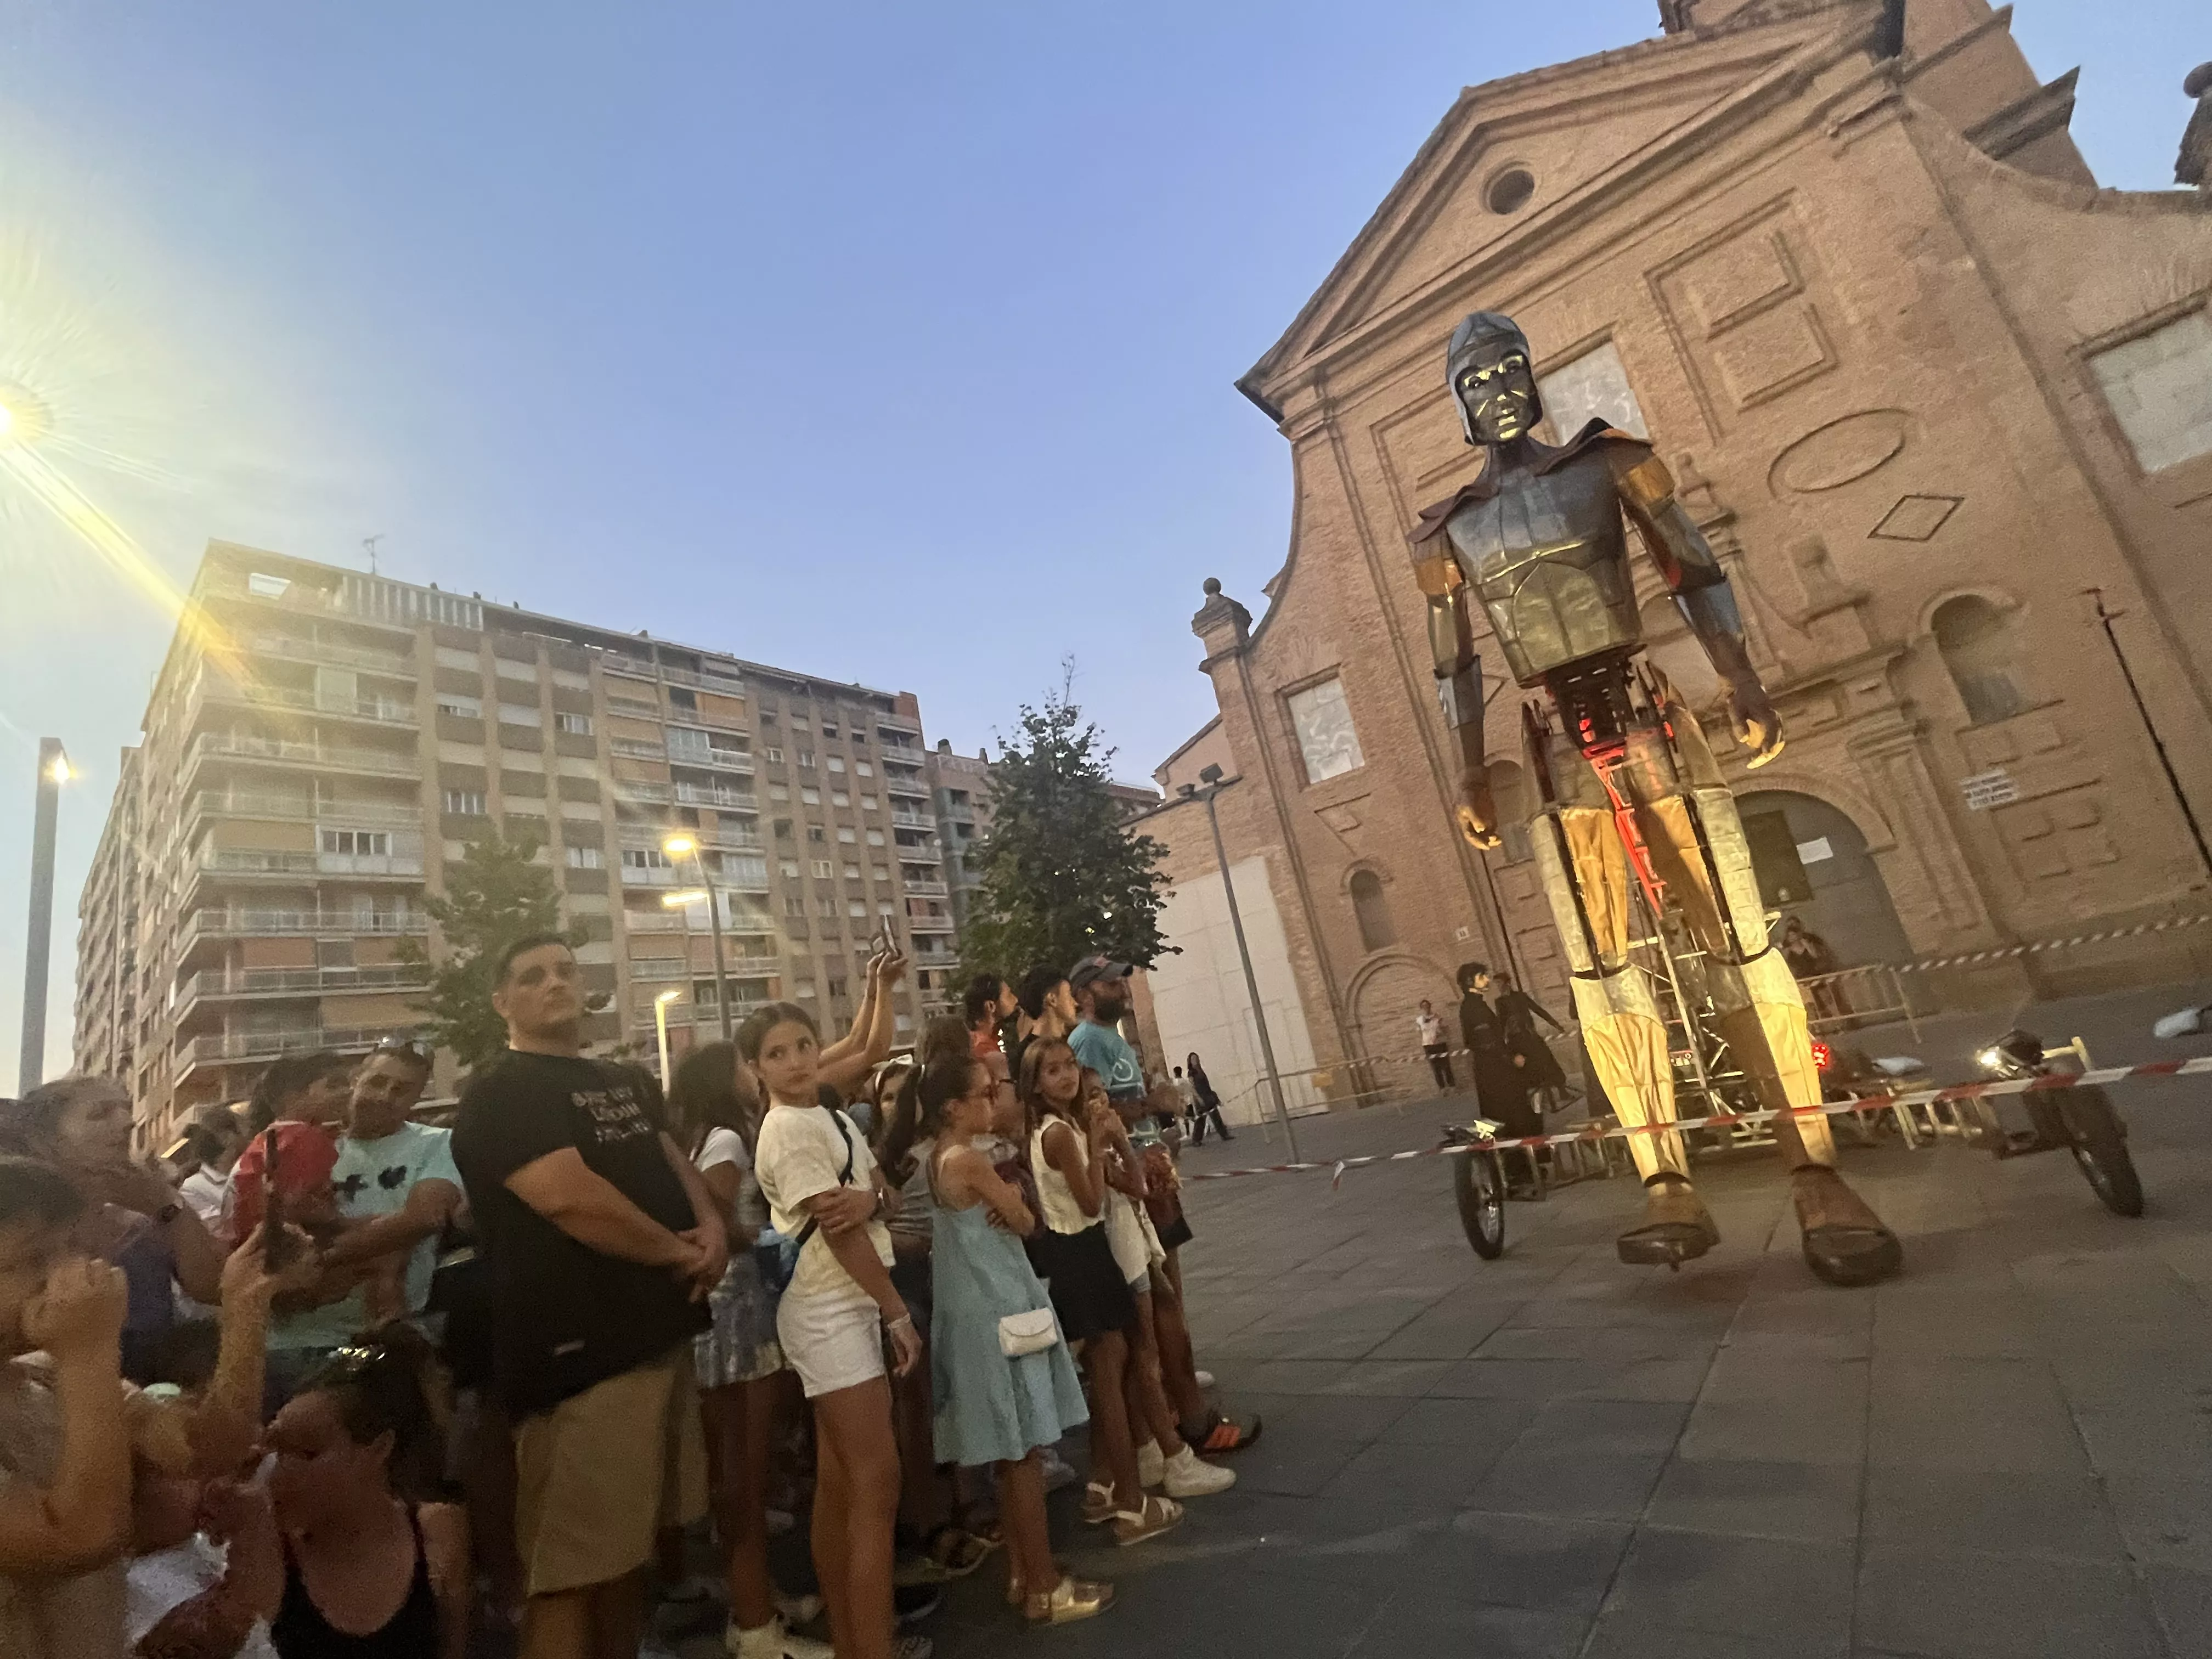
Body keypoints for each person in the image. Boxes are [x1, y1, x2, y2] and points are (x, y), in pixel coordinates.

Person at [450, 933, 726, 1659]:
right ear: (501, 1001)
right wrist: (680, 1252)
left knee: (625, 1558)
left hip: (657, 1334)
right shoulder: (500, 1093)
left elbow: (672, 1160)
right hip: (581, 1360)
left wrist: (711, 1231)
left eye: (566, 971)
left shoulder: (624, 1078)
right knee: (567, 1575)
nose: (555, 983)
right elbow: (572, 1200)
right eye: (532, 974)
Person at [744, 1001, 928, 1659]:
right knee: (878, 1481)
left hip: (846, 1298)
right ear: (756, 1068)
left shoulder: (825, 1112)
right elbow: (844, 1232)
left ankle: (855, 1642)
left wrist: (870, 1199)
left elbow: (882, 1194)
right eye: (777, 1053)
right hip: (830, 1305)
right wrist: (897, 1313)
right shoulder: (788, 1129)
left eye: (803, 1044)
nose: (795, 1061)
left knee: (843, 1481)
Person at [917, 1052, 1107, 1626]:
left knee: (1008, 1455)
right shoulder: (969, 1160)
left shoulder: (934, 1162)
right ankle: (1045, 1585)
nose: (994, 1097)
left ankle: (1024, 1574)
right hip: (999, 1309)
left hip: (971, 1312)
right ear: (955, 1107)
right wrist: (1017, 1206)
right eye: (983, 1091)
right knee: (1022, 1452)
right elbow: (1026, 1221)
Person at [666, 1040, 830, 1659]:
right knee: (744, 1477)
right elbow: (711, 1217)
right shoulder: (729, 1142)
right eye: (745, 1064)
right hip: (737, 1318)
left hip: (725, 1314)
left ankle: (759, 1597)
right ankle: (755, 1624)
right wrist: (767, 1234)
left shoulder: (699, 1137)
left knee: (740, 1476)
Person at [1066, 958, 1254, 1459]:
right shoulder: (1086, 1042)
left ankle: (1177, 1391)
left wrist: (1157, 1112)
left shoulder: (1114, 1037)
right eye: (1109, 983)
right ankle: (1178, 1416)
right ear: (1082, 994)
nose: (1120, 988)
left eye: (1121, 980)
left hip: (1152, 1172)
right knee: (1157, 1305)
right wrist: (1154, 1105)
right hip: (1132, 1185)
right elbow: (1095, 1113)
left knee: (1171, 1292)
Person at [1018, 1039, 1171, 1549]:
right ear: (1035, 1083)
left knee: (1113, 1366)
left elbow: (1123, 1186)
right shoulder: (1060, 1132)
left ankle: (1106, 1486)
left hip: (1077, 1254)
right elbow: (1088, 1203)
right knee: (1109, 1375)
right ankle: (1133, 1503)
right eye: (1053, 1071)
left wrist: (1107, 1142)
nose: (1066, 1077)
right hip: (1081, 1252)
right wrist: (1098, 1149)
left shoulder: (1057, 1128)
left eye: (1069, 1067)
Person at [262, 1041, 462, 1403]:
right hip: (287, 1341)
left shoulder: (438, 1143)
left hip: (379, 1339)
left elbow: (424, 1218)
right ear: (357, 1078)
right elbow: (271, 1226)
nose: (386, 1096)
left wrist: (314, 1262)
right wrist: (382, 1239)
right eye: (378, 1081)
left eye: (402, 1090)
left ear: (417, 1098)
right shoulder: (302, 1143)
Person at [4, 1078, 231, 1385]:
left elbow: (213, 1287)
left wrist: (166, 1205)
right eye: (100, 1114)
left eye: (126, 1110)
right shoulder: (21, 1230)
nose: (127, 1123)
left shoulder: (141, 1216)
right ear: (47, 1139)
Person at [263, 1327, 471, 1658]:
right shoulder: (267, 1550)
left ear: (379, 1448)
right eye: (276, 1450)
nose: (282, 1472)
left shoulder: (438, 1531)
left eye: (307, 1454)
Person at [1492, 973, 1570, 1105]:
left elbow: (1538, 1010)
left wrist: (1555, 1024)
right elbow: (1501, 1021)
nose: (1498, 986)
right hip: (1516, 1039)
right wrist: (1500, 1040)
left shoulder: (1521, 996)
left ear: (1507, 983)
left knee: (1547, 1060)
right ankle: (1533, 1099)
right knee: (1524, 1068)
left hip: (1530, 1035)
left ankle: (1562, 1089)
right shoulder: (1500, 1002)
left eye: (1500, 983)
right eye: (1497, 984)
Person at [176, 1109, 249, 1229]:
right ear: (227, 1138)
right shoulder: (192, 1188)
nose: (249, 1137)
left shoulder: (249, 1167)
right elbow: (219, 1231)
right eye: (243, 1132)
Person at [960, 975, 1015, 1063]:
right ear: (990, 1006)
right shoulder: (983, 1049)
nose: (1015, 1000)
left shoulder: (978, 1040)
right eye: (1009, 996)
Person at [1183, 1055, 1230, 1146]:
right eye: (1193, 1059)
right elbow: (1192, 1087)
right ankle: (1196, 1140)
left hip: (1208, 1096)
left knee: (1216, 1116)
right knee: (1201, 1119)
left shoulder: (1201, 1071)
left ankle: (1224, 1135)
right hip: (1200, 1097)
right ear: (1190, 1061)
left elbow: (1207, 1085)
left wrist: (1214, 1097)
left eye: (1196, 1059)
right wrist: (1198, 1098)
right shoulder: (1191, 1073)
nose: (1195, 1061)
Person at [1415, 1001, 1455, 1092]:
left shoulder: (1438, 1017)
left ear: (1430, 1006)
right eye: (1423, 1007)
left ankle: (1452, 1085)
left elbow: (1446, 1028)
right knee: (1435, 1068)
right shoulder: (1420, 1020)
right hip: (1429, 1046)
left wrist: (1443, 1033)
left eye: (1427, 1006)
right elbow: (1419, 1032)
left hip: (1440, 1043)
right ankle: (1442, 1088)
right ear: (1421, 1008)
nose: (1426, 1008)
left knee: (1446, 1066)